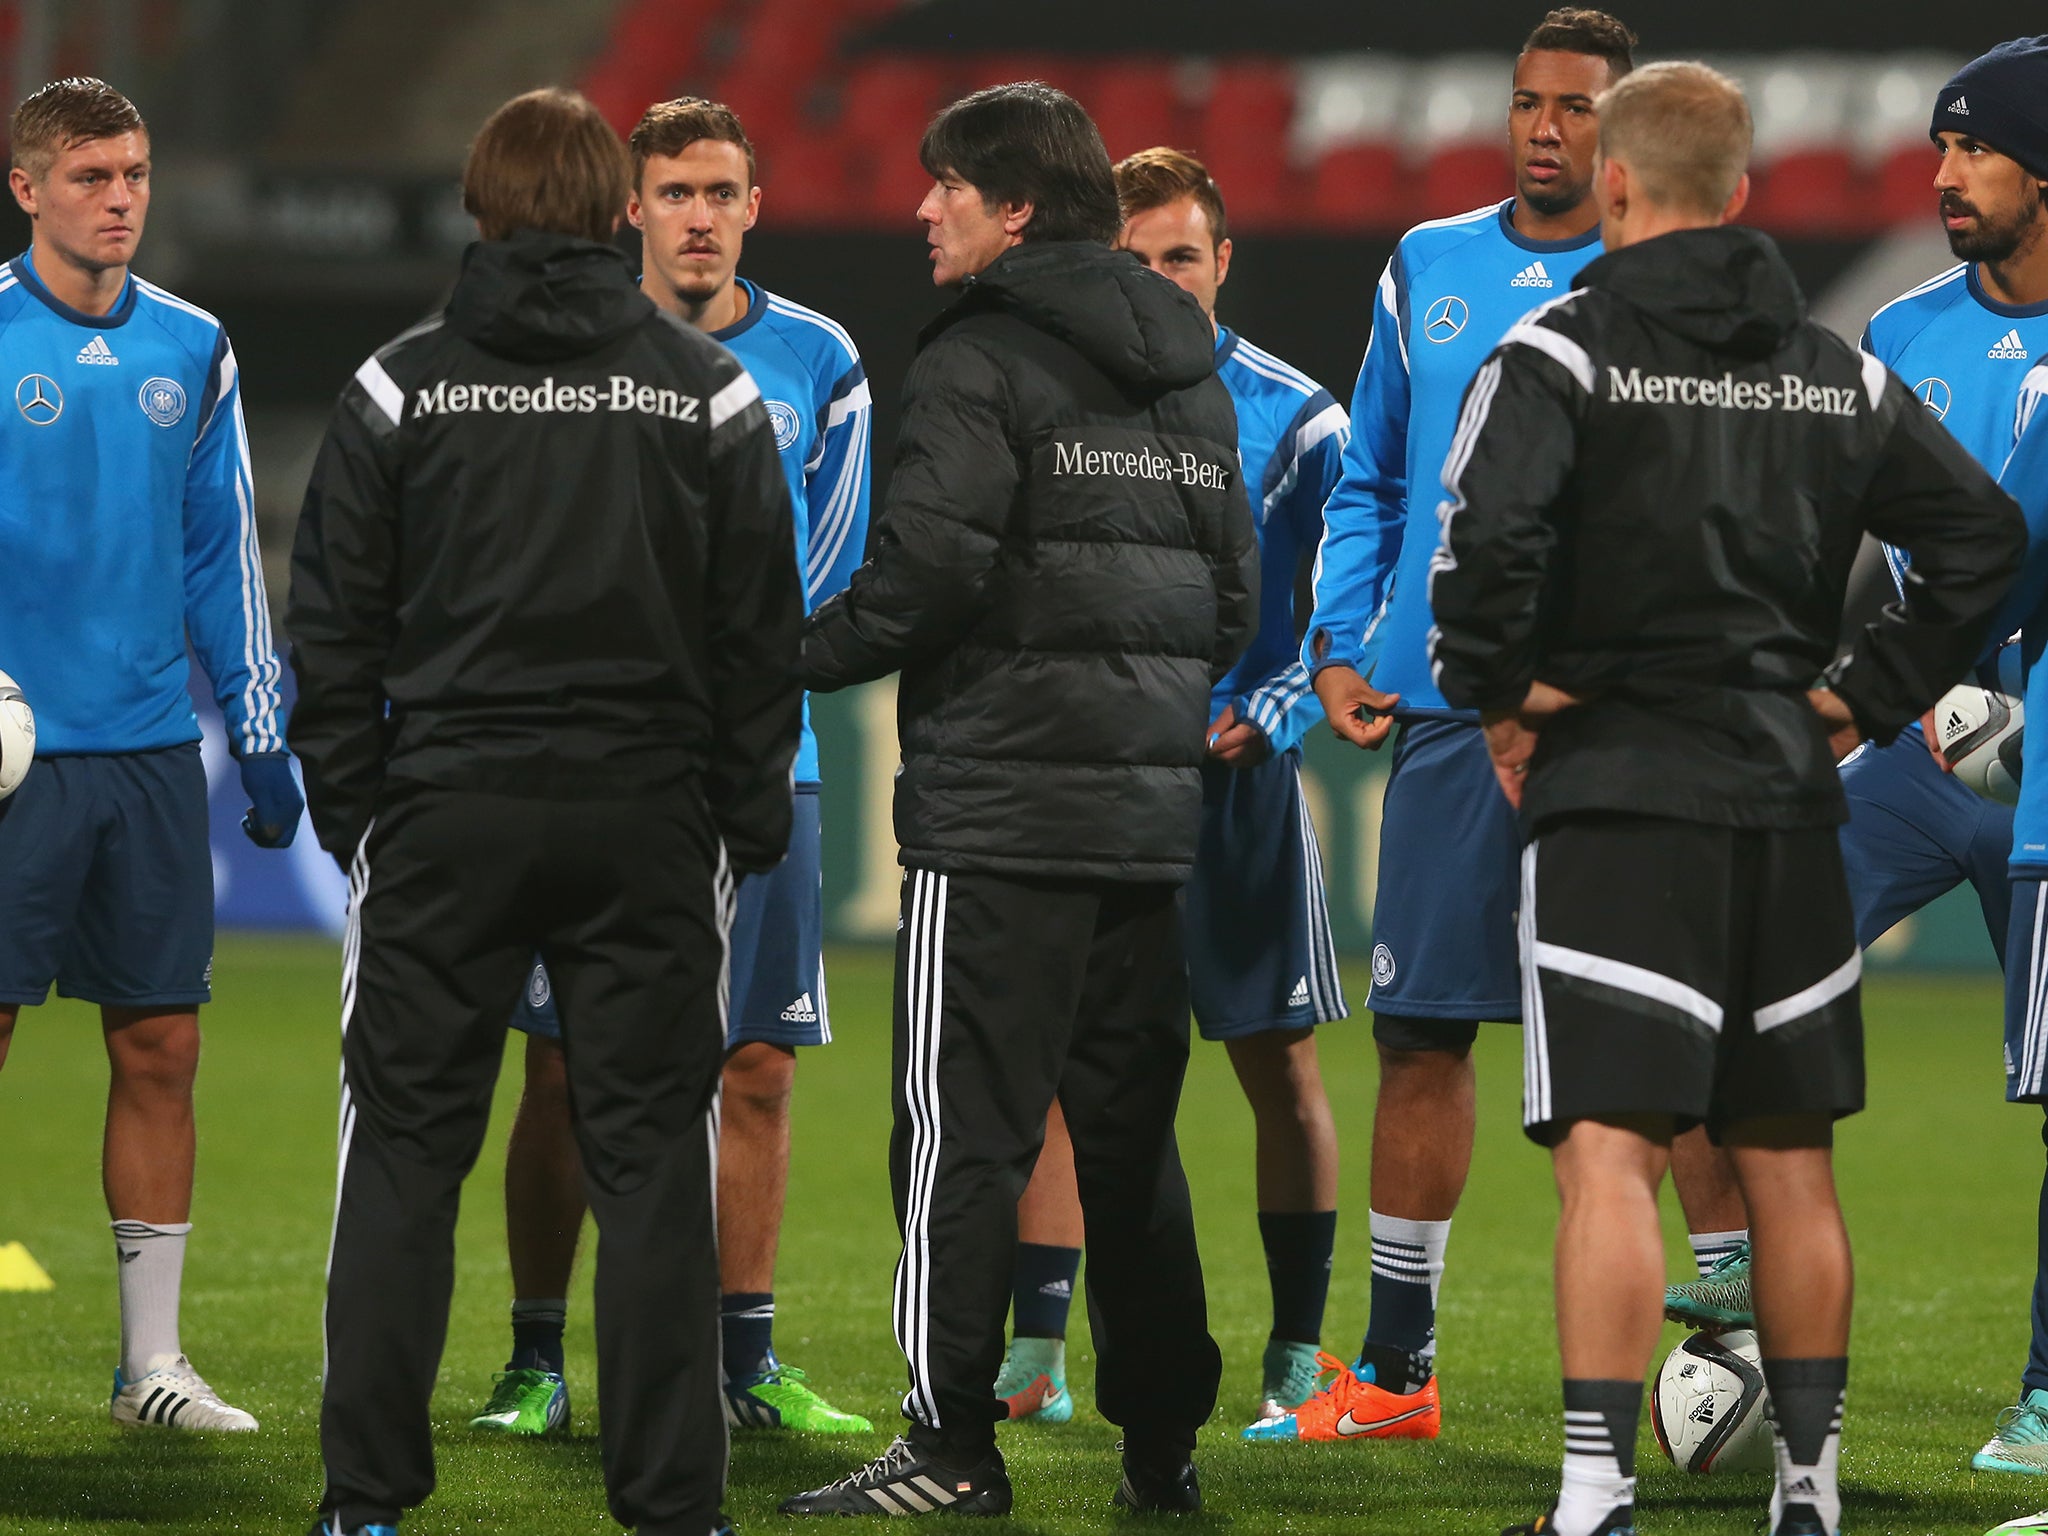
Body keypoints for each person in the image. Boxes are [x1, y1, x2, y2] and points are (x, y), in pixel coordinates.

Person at [1426, 61, 2024, 1536]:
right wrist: (1857, 699)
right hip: (1785, 792)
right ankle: (1805, 1498)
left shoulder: (1556, 355)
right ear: (1743, 194)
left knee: (1613, 1156)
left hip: (1621, 795)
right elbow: (1984, 540)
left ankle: (1590, 1500)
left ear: (1617, 185)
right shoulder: (1839, 372)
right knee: (1791, 1161)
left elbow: (1476, 558)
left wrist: (1507, 697)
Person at [288, 88, 802, 1536]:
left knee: (402, 1153)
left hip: (447, 809)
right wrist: (742, 815)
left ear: (480, 205)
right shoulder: (705, 390)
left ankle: (368, 1500)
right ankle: (670, 1508)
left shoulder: (403, 385)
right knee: (649, 1167)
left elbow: (329, 622)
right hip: (646, 820)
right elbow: (760, 631)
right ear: (617, 207)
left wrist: (360, 811)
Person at [776, 82, 1256, 1518]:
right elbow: (1231, 598)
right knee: (1128, 1143)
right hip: (1144, 824)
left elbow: (923, 580)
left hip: (996, 818)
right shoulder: (1194, 370)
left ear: (1018, 209)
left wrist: (775, 660)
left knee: (956, 1133)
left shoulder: (976, 359)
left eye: (947, 189)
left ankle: (947, 1447)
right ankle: (1160, 1449)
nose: (922, 211)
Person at [1279, 7, 1666, 1447]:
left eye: (1574, 105)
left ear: (1625, 128)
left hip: (1614, 726)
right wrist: (1343, 641)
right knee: (1423, 1033)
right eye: (1528, 101)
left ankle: (1711, 1346)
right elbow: (1372, 477)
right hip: (1443, 712)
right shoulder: (1431, 263)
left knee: (1648, 1054)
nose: (1546, 126)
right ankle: (1393, 1371)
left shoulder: (1660, 279)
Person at [1660, 38, 2048, 1465]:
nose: (1944, 177)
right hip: (1911, 743)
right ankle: (1737, 1293)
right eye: (1943, 149)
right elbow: (1847, 552)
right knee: (1717, 975)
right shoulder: (1903, 332)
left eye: (1977, 151)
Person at [471, 94, 873, 1442]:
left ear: (756, 205)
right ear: (628, 209)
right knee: (568, 1066)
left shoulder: (824, 360)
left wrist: (739, 693)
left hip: (770, 763)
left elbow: (832, 565)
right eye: (675, 194)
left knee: (757, 1064)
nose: (699, 217)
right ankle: (536, 1357)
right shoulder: (582, 349)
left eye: (721, 193)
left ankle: (743, 1359)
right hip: (604, 765)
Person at [990, 146, 1350, 1432]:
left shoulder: (1298, 418)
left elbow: (1334, 605)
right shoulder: (1058, 397)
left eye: (1180, 257)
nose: (1156, 281)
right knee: (1057, 1072)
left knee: (1275, 1063)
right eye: (1133, 260)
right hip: (1098, 774)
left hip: (1235, 789)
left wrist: (1271, 706)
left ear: (1224, 260)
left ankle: (1297, 1353)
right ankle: (1038, 1352)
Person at [0, 75, 300, 1434]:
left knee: (163, 1046)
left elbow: (217, 550)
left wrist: (260, 723)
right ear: (27, 189)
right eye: (89, 176)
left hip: (141, 756)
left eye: (133, 173)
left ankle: (150, 1369)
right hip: (8, 758)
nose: (119, 197)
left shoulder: (195, 345)